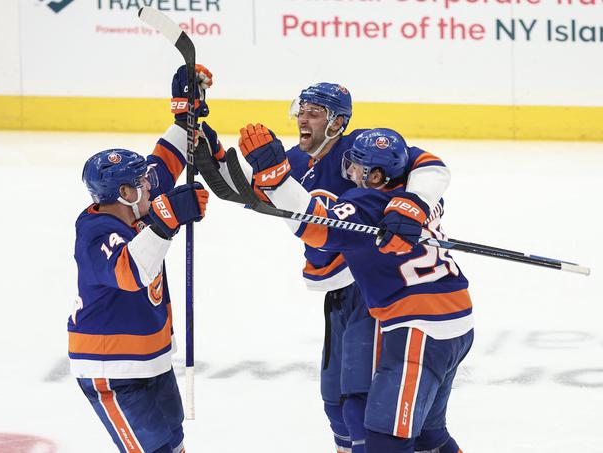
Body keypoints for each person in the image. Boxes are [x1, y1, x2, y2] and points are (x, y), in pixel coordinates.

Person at [237, 124, 473, 453]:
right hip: (456, 322)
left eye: (358, 165)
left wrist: (277, 180)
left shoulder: (366, 204)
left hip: (419, 330)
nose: (349, 170)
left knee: (384, 441)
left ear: (376, 176)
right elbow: (429, 165)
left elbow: (314, 226)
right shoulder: (412, 188)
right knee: (429, 438)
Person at [67, 64, 213, 453]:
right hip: (111, 368)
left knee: (173, 442)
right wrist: (168, 220)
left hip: (151, 360)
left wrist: (185, 116)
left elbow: (167, 160)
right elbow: (130, 271)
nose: (151, 183)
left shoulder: (137, 206)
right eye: (141, 181)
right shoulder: (94, 231)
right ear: (123, 192)